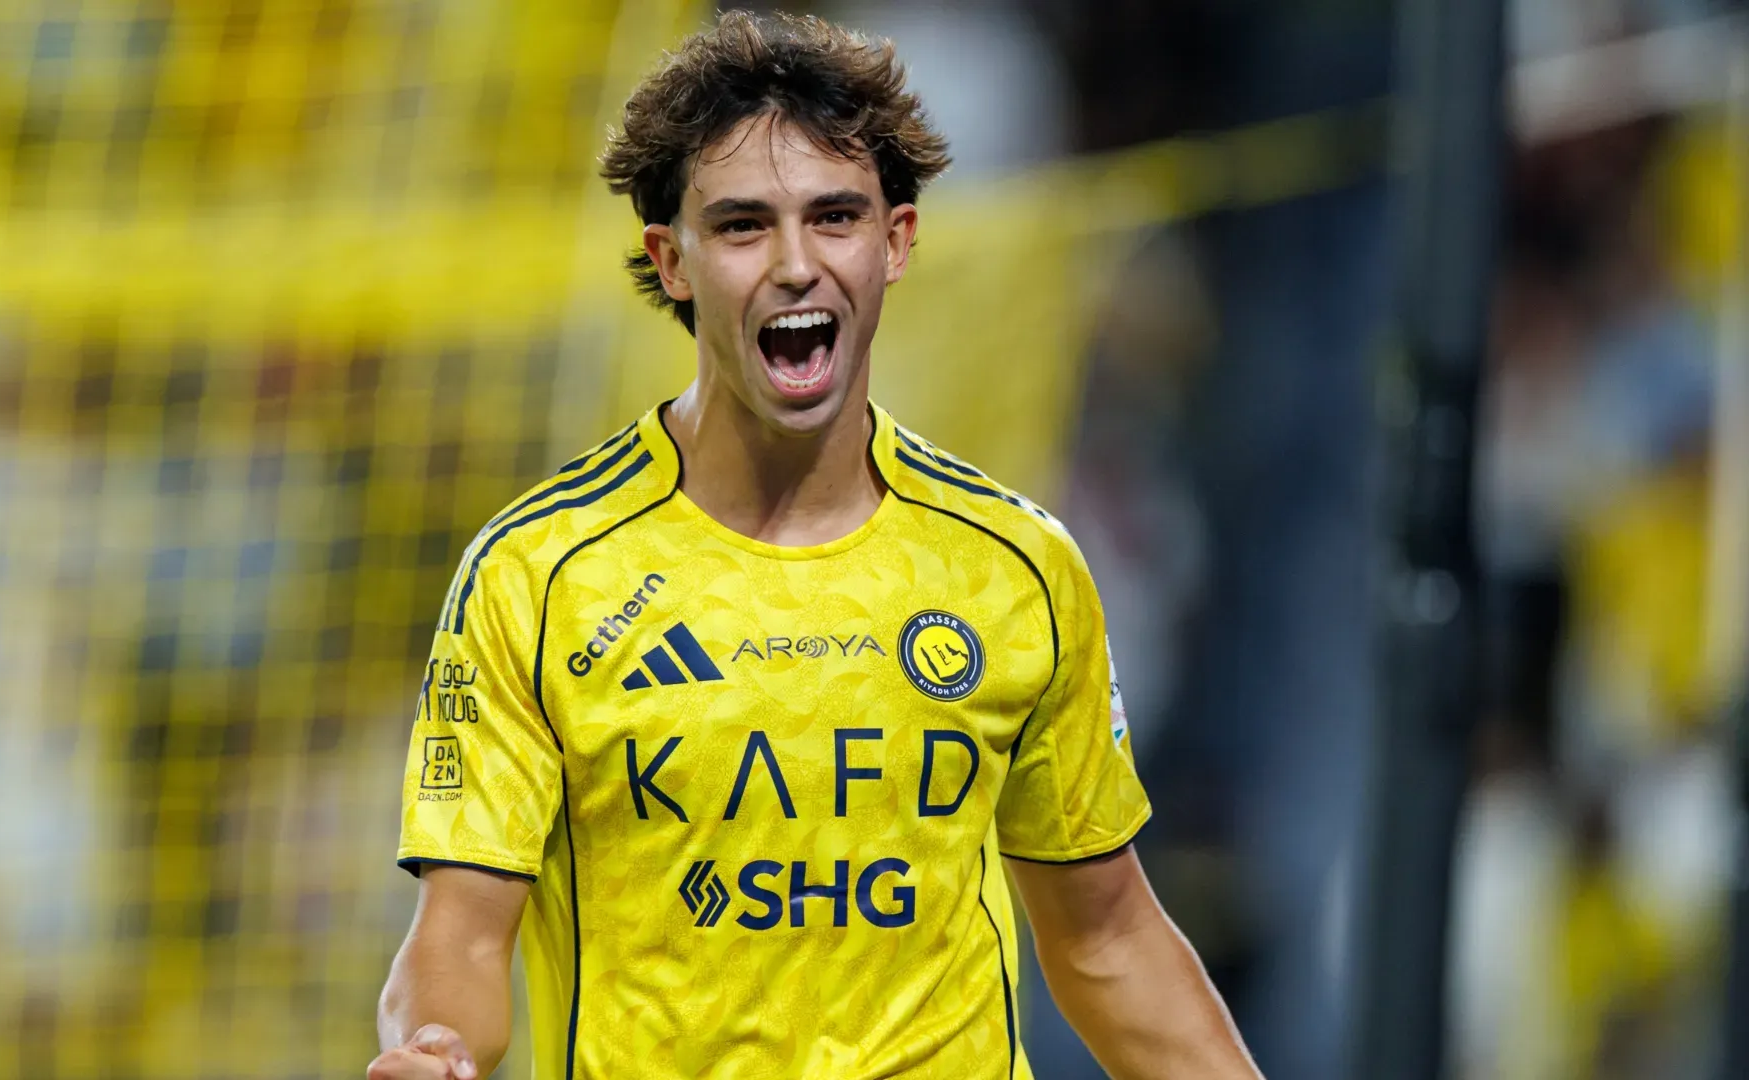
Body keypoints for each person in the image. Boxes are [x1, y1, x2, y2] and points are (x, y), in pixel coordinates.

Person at [368, 12, 1259, 1079]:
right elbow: (462, 934)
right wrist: (436, 1052)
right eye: (744, 226)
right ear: (673, 260)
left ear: (897, 242)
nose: (797, 264)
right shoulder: (537, 578)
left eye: (834, 216)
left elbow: (1107, 937)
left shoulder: (1016, 568)